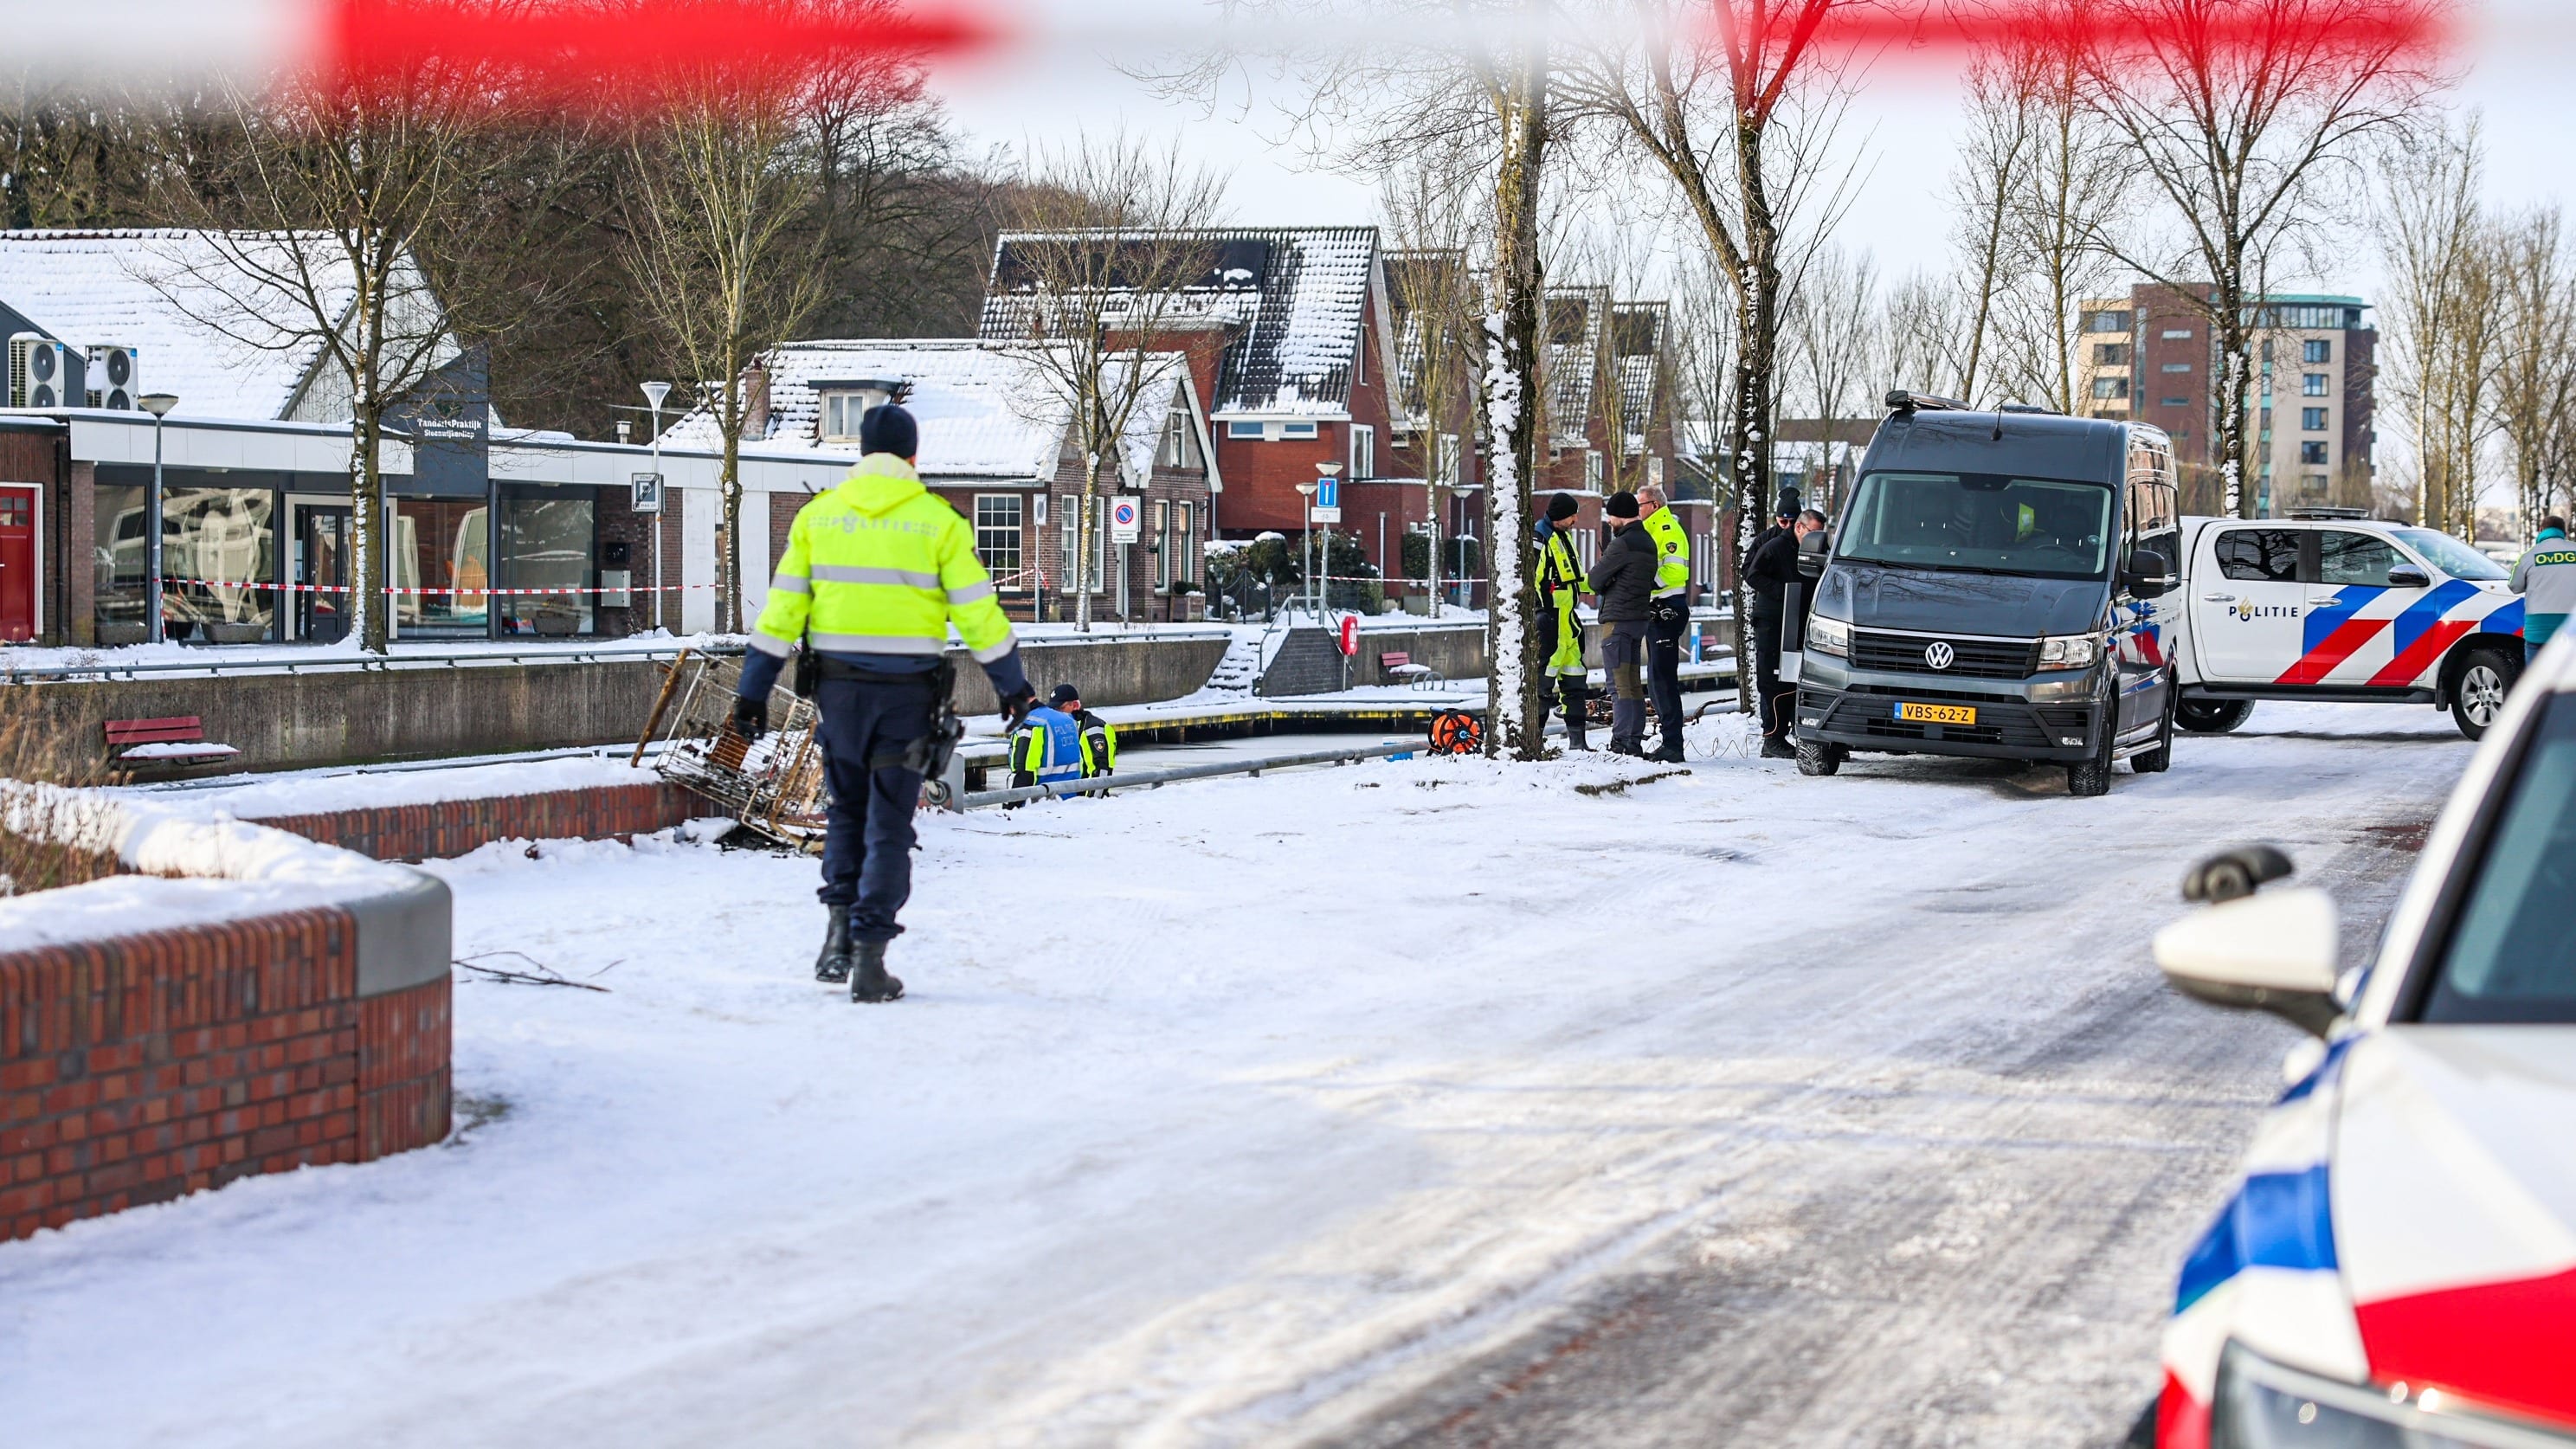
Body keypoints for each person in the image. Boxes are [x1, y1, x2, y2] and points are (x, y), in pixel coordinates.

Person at [733, 402, 1036, 1004]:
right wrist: (1014, 688)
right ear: (913, 456)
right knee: (890, 826)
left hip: (839, 697)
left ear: (861, 452)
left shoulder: (818, 518)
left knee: (845, 813)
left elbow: (780, 616)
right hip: (906, 699)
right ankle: (870, 958)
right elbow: (980, 615)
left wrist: (751, 694)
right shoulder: (939, 523)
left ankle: (838, 933)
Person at [1747, 508, 1826, 759]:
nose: (1818, 540)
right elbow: (1753, 574)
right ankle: (1772, 736)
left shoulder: (1812, 551)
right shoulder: (1775, 547)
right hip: (1773, 621)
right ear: (1799, 528)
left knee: (1794, 679)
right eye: (1814, 533)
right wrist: (1783, 593)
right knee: (1772, 680)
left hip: (1798, 620)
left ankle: (1795, 731)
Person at [1585, 491, 1659, 757]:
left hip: (1617, 621)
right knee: (1632, 682)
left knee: (1618, 684)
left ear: (1619, 516)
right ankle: (1634, 739)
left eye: (1610, 516)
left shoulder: (1622, 544)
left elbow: (1595, 580)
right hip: (1638, 619)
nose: (1608, 521)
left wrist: (1609, 581)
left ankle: (1622, 741)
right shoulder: (1648, 541)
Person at [1639, 483, 1692, 763]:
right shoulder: (1652, 529)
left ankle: (1674, 745)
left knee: (1663, 679)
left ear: (1654, 506)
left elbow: (1674, 570)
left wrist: (1645, 586)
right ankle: (1669, 741)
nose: (1638, 511)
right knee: (1656, 679)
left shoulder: (1667, 530)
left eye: (1640, 505)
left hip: (1666, 609)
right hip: (1657, 610)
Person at [1534, 493, 1593, 750]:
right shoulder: (1541, 539)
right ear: (1560, 515)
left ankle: (1578, 743)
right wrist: (1543, 614)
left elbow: (1576, 579)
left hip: (1568, 621)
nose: (1575, 519)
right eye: (1572, 515)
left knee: (1576, 682)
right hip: (1551, 621)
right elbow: (1533, 581)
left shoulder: (1564, 538)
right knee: (1542, 685)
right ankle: (1533, 742)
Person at [1013, 684, 1117, 789]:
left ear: (1075, 705)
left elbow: (1101, 772)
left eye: (1060, 708)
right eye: (1053, 709)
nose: (1056, 713)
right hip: (1072, 797)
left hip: (1086, 799)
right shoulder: (1064, 728)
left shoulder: (1093, 728)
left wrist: (1091, 802)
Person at [2510, 514, 2576, 665]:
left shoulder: (2528, 556)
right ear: (2564, 533)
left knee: (2536, 682)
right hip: (2572, 629)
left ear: (2541, 530)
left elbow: (2514, 586)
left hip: (2539, 630)